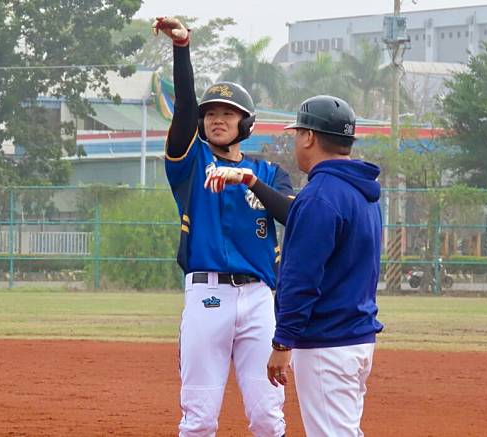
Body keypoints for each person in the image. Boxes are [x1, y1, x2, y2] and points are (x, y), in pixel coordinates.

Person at [154, 16, 295, 437]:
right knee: (199, 420)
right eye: (211, 113)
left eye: (228, 114)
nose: (217, 119)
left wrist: (251, 182)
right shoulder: (191, 164)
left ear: (245, 124)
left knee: (269, 419)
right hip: (207, 297)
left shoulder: (268, 172)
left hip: (258, 301)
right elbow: (183, 107)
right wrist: (182, 49)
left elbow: (294, 216)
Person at [266, 96, 384, 436]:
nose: (295, 142)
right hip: (355, 337)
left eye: (297, 133)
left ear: (309, 137)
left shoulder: (320, 194)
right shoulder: (362, 192)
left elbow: (301, 279)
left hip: (327, 343)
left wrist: (282, 343)